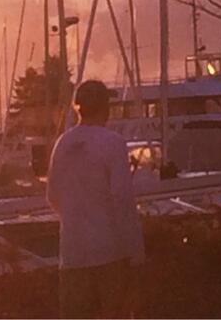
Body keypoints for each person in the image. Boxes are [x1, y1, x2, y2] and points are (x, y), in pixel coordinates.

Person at [47, 79, 145, 319]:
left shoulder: (62, 143)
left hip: (72, 254)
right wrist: (136, 253)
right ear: (105, 108)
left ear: (77, 107)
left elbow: (52, 196)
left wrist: (74, 219)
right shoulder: (113, 143)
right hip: (109, 253)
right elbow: (122, 199)